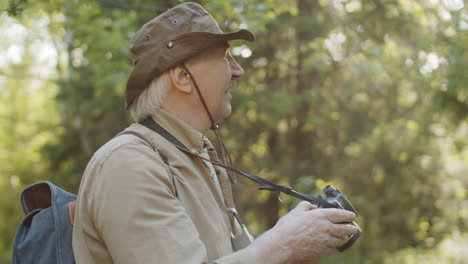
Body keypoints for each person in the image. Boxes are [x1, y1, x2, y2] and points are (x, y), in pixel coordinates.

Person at [72, 2, 359, 264]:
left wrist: (293, 238)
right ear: (183, 77)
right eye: (225, 57)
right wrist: (282, 245)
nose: (238, 71)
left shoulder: (196, 157)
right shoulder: (129, 166)